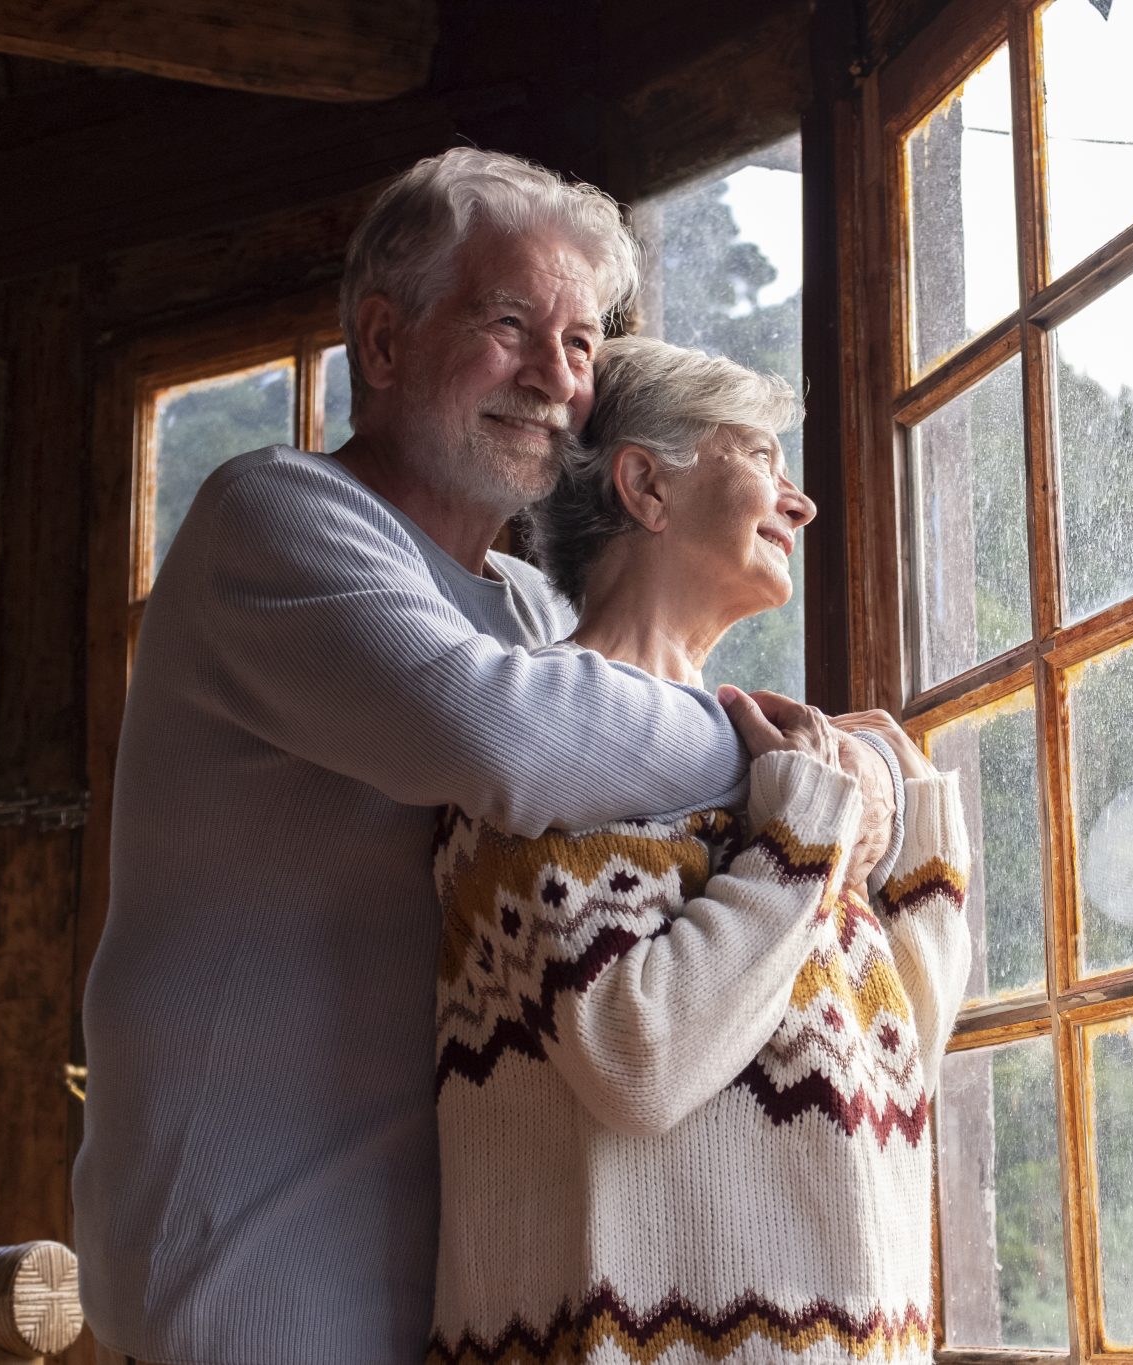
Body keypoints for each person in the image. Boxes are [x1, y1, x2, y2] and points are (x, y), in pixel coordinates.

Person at [72, 150, 901, 1365]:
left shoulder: (520, 602)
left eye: (579, 345)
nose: (553, 379)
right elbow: (501, 734)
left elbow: (599, 748)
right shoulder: (275, 518)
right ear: (385, 340)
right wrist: (790, 766)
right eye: (509, 324)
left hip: (467, 1287)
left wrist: (836, 780)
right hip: (251, 1279)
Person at [429, 337, 972, 1365]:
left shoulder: (759, 776)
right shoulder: (545, 749)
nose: (800, 503)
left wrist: (915, 828)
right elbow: (639, 1060)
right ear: (644, 485)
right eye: (761, 455)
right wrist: (804, 839)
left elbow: (892, 1080)